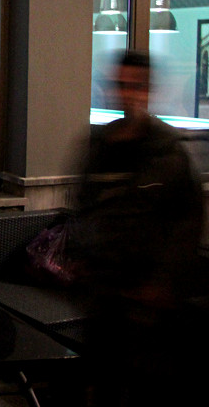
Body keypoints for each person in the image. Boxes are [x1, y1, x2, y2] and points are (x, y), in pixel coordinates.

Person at [67, 49, 208, 406]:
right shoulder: (99, 144)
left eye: (136, 87)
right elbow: (82, 205)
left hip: (148, 304)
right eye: (121, 85)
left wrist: (162, 282)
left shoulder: (168, 151)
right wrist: (82, 257)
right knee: (101, 385)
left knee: (148, 390)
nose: (128, 94)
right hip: (103, 295)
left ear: (148, 90)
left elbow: (188, 222)